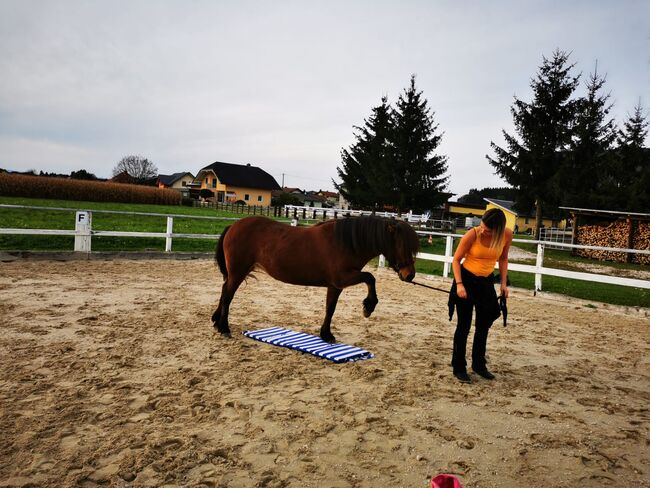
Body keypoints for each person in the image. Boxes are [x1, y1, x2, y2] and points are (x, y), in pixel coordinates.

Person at [449, 208, 512, 383]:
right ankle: (459, 367)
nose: (484, 230)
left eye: (488, 230)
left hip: (486, 283)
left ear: (498, 230)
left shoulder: (506, 235)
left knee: (483, 325)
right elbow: (456, 259)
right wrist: (460, 285)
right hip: (466, 280)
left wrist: (504, 284)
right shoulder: (472, 234)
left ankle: (479, 364)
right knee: (464, 325)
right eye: (483, 226)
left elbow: (503, 259)